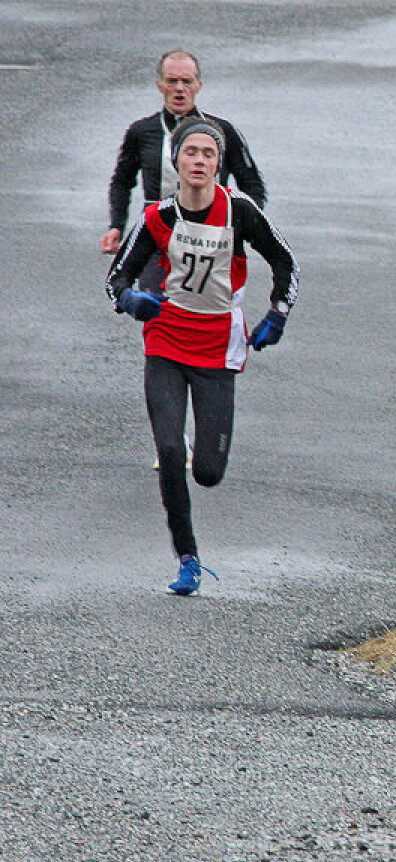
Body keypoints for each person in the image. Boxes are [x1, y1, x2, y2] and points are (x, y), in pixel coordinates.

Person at [106, 117, 299, 596]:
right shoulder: (157, 218)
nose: (199, 161)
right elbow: (116, 281)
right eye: (190, 152)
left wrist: (277, 313)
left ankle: (202, 458)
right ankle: (188, 559)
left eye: (208, 154)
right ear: (176, 161)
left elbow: (286, 263)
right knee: (170, 451)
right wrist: (131, 300)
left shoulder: (239, 211)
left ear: (218, 164)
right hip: (166, 341)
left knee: (208, 473)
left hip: (217, 347)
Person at [99, 47, 266, 294]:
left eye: (186, 81)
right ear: (160, 85)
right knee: (156, 312)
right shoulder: (142, 132)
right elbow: (122, 181)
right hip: (158, 235)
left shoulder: (223, 132)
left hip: (211, 238)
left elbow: (252, 184)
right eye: (172, 81)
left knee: (207, 316)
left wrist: (243, 226)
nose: (179, 88)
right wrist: (116, 225)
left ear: (198, 85)